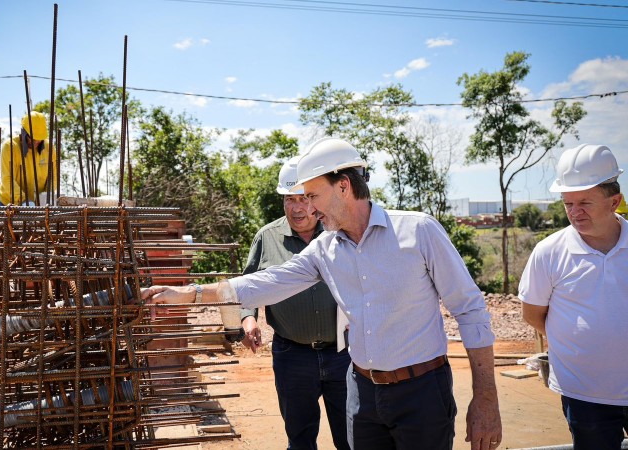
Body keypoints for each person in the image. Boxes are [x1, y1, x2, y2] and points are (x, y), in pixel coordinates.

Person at [143, 137, 502, 450]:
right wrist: (186, 293)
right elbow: (263, 282)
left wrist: (485, 399)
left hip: (422, 392)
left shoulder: (419, 232)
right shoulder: (325, 250)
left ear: (344, 186)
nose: (308, 208)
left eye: (313, 195)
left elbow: (470, 311)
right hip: (362, 394)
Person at [519, 143, 628, 450]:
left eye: (584, 202)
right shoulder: (550, 252)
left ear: (614, 202)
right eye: (568, 203)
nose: (574, 212)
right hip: (584, 395)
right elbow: (533, 313)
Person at [240, 156, 351, 450]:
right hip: (293, 357)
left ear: (315, 200)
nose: (297, 207)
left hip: (342, 353)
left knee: (352, 437)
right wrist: (247, 318)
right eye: (290, 199)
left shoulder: (338, 233)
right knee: (300, 439)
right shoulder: (267, 238)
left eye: (304, 198)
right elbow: (248, 285)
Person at [0, 111, 58, 206]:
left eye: (39, 138)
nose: (36, 142)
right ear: (24, 132)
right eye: (32, 138)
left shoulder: (49, 149)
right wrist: (24, 200)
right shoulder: (9, 147)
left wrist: (46, 196)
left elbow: (53, 176)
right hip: (9, 203)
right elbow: (7, 178)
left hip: (37, 204)